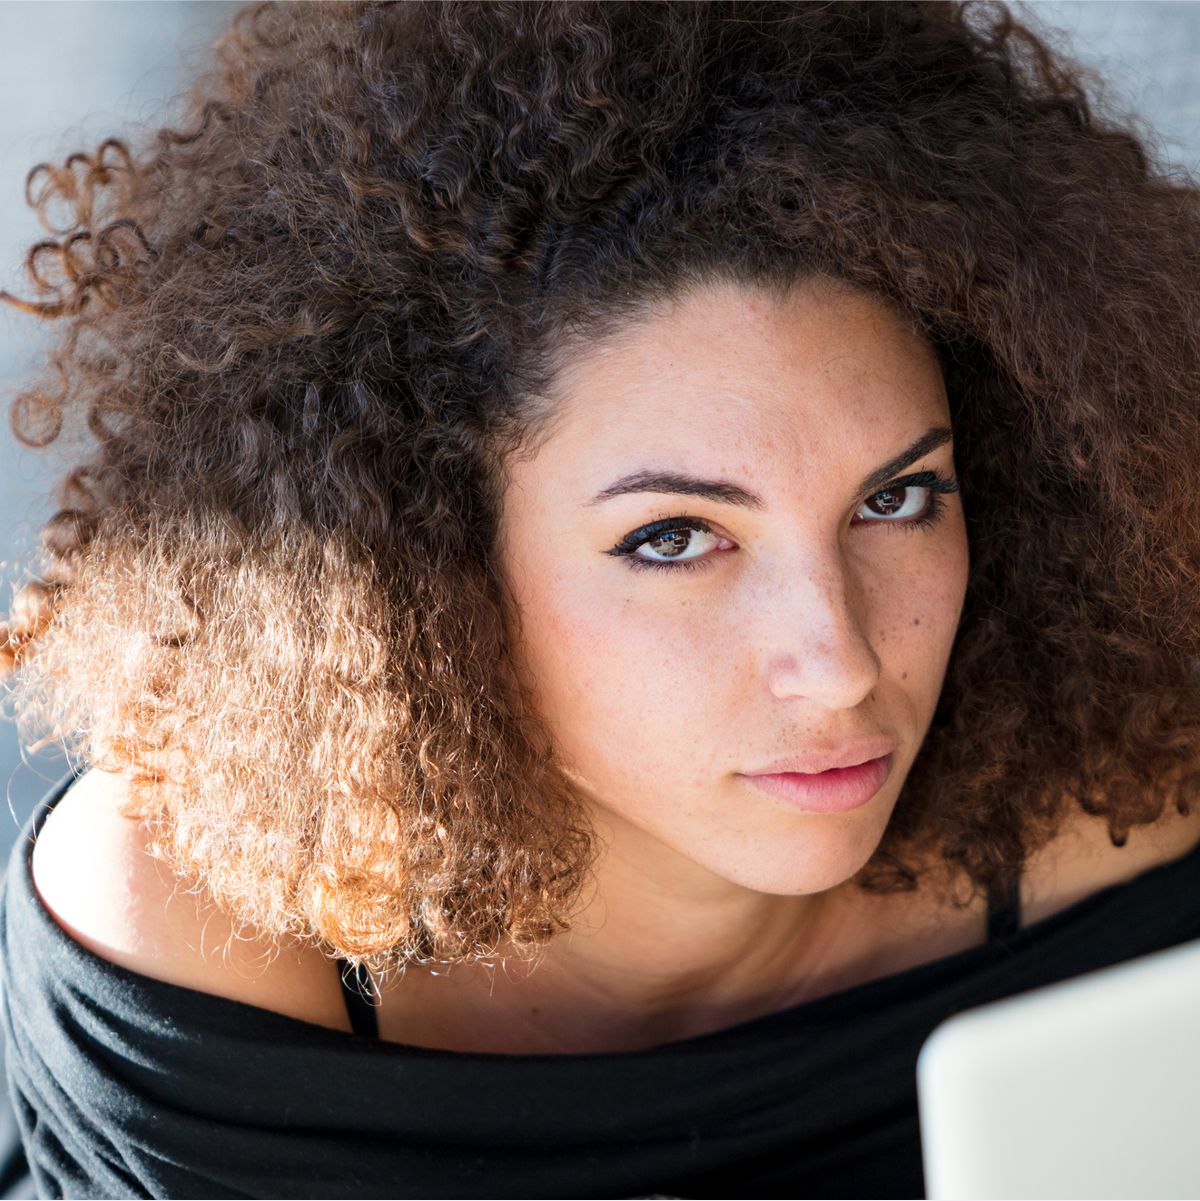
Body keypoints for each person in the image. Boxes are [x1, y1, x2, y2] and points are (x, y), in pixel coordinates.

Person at [2, 0, 1200, 1196]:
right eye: (675, 537)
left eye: (894, 501)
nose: (838, 659)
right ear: (418, 575)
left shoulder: (1129, 810)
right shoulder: (205, 924)